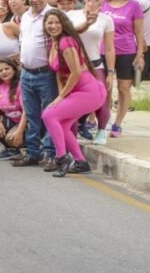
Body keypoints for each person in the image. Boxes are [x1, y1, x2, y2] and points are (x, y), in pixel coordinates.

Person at [42, 9, 107, 176]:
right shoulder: (54, 43)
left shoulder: (66, 41)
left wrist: (61, 97)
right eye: (49, 23)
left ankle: (61, 157)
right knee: (63, 125)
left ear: (64, 24)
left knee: (48, 115)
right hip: (80, 91)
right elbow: (59, 73)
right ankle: (80, 162)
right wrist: (61, 97)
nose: (53, 26)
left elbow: (76, 72)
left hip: (90, 91)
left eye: (57, 22)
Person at [15, 0, 57, 169]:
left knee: (49, 115)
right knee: (32, 115)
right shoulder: (25, 16)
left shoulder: (53, 15)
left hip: (46, 74)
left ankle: (51, 154)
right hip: (26, 74)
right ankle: (32, 153)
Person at [101, 0, 145, 137]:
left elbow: (139, 32)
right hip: (104, 51)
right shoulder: (103, 3)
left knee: (123, 88)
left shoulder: (134, 5)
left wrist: (140, 54)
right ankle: (103, 121)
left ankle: (117, 124)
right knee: (104, 88)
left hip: (126, 52)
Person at [72, 0, 115, 144]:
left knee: (102, 98)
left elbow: (109, 48)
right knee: (74, 100)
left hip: (96, 65)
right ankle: (73, 131)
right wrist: (87, 23)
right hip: (75, 65)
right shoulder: (72, 15)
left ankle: (102, 130)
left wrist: (110, 72)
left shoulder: (106, 19)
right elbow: (69, 33)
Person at [0, 58, 26, 160]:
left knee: (10, 138)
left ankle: (29, 147)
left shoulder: (21, 84)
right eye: (0, 70)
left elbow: (27, 111)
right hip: (11, 120)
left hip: (26, 121)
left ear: (14, 69)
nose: (4, 72)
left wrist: (20, 131)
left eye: (7, 68)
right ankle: (12, 150)